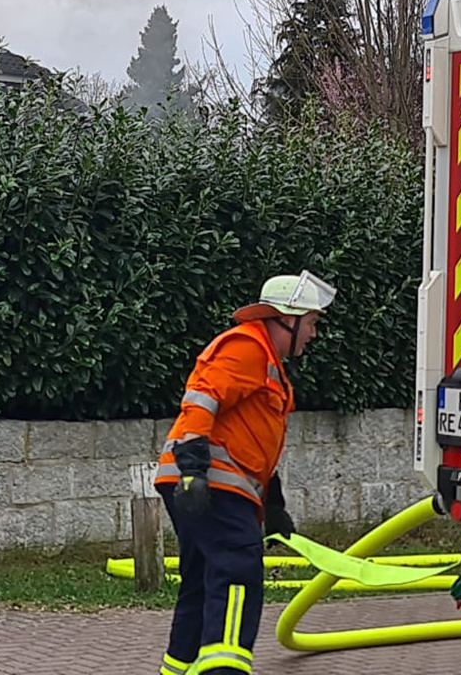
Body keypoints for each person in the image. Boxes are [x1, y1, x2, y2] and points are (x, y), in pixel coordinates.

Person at [150, 269, 336, 675]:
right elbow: (201, 400)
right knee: (237, 567)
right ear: (287, 319)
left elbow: (251, 441)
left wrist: (273, 504)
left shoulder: (265, 361)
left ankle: (177, 669)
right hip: (208, 481)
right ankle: (226, 667)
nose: (313, 334)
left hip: (209, 481)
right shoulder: (246, 346)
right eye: (311, 323)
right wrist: (193, 469)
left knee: (202, 576)